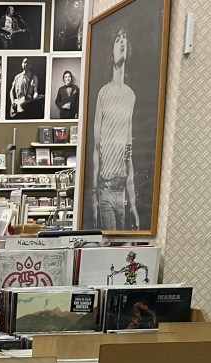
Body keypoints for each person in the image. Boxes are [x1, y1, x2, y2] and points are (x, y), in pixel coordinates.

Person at [91, 25, 139, 231]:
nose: (122, 42)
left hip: (122, 193)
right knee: (110, 242)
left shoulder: (130, 96)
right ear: (111, 51)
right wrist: (94, 196)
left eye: (124, 37)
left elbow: (129, 151)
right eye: (117, 39)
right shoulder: (103, 93)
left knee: (122, 242)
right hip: (106, 191)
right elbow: (96, 149)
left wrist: (133, 202)